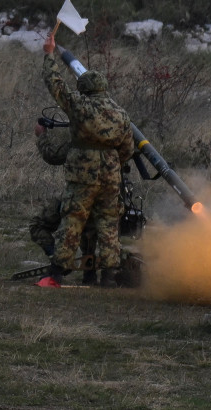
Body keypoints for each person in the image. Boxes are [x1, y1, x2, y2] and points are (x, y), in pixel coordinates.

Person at [41, 28, 134, 288]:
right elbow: (127, 149)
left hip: (82, 174)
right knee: (108, 223)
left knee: (73, 218)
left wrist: (49, 55)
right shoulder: (121, 114)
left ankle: (58, 271)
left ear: (84, 89)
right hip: (111, 176)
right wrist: (113, 163)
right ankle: (109, 276)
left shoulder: (79, 106)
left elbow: (55, 85)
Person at [29, 121, 99, 286]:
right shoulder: (112, 146)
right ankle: (91, 276)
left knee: (39, 225)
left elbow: (51, 155)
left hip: (76, 198)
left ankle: (58, 264)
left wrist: (41, 136)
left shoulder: (77, 144)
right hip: (104, 199)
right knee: (90, 233)